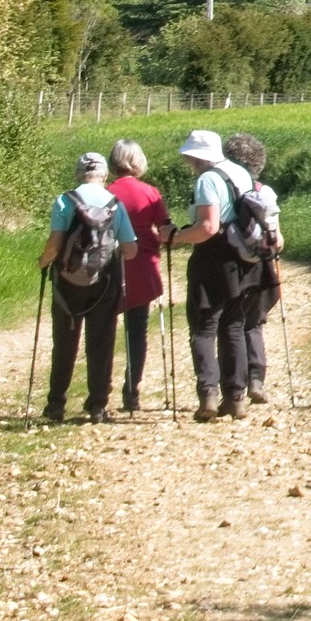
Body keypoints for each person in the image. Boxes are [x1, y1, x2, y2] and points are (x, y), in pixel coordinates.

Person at [39, 151, 139, 424]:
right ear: (105, 176)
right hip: (105, 281)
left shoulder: (64, 200)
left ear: (78, 174)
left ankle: (56, 404)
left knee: (64, 343)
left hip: (68, 282)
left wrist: (43, 262)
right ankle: (97, 406)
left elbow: (55, 243)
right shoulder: (115, 203)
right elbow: (131, 250)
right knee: (101, 342)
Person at [169, 128, 258, 421]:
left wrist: (175, 238)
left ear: (198, 156)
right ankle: (236, 398)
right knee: (233, 326)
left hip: (213, 258)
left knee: (204, 327)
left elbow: (208, 226)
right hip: (242, 258)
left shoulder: (207, 179)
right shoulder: (240, 173)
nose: (188, 163)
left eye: (190, 157)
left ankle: (208, 395)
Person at [105, 140, 172, 415]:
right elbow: (165, 228)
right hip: (142, 266)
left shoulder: (105, 192)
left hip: (109, 266)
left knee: (104, 329)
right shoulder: (150, 193)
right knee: (137, 330)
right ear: (138, 162)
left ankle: (99, 390)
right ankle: (131, 391)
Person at [224, 134, 288, 404]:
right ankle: (256, 380)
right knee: (255, 323)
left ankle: (233, 384)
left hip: (229, 263)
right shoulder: (266, 192)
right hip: (261, 266)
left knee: (231, 324)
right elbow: (279, 241)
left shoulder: (223, 190)